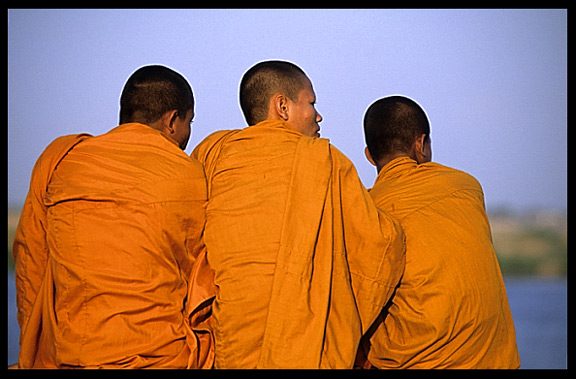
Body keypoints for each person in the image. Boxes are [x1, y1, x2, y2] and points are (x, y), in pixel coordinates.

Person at [191, 60, 406, 369]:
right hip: (308, 350)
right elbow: (381, 245)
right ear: (282, 106)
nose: (318, 116)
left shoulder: (214, 153)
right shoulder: (326, 162)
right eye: (311, 103)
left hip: (231, 351)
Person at [12, 65, 213, 368]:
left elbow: (31, 264)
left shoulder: (65, 162)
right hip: (165, 357)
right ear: (172, 120)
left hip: (74, 355)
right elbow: (205, 280)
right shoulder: (191, 177)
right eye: (189, 121)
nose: (187, 134)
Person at [359, 95, 520, 369]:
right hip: (497, 359)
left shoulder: (365, 209)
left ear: (369, 155)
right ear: (420, 145)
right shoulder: (467, 187)